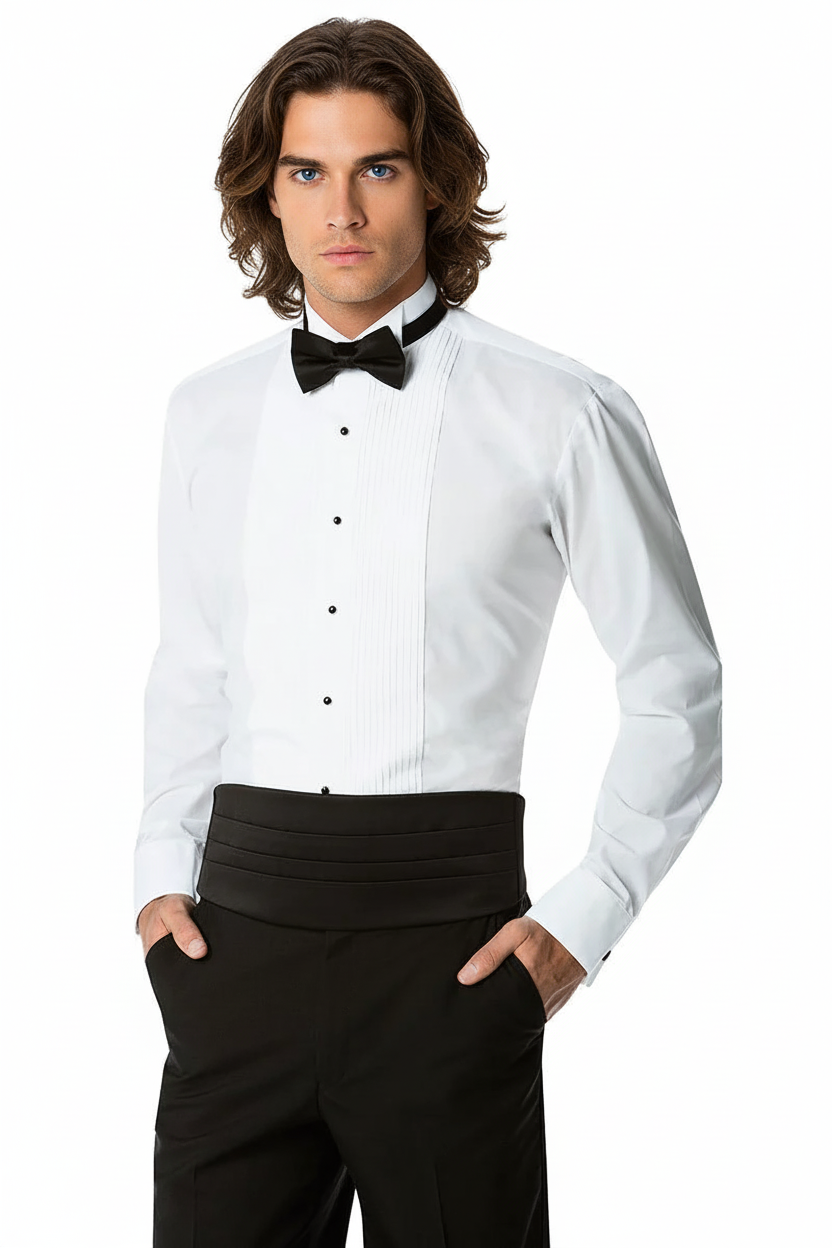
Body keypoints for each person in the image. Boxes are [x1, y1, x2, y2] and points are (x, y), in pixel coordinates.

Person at [134, 16, 722, 1248]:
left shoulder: (563, 410)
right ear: (267, 192)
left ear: (436, 182)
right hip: (235, 949)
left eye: (379, 167)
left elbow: (675, 686)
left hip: (452, 960)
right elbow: (192, 669)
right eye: (307, 170)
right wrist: (158, 890)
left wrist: (579, 926)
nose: (342, 209)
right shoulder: (205, 413)